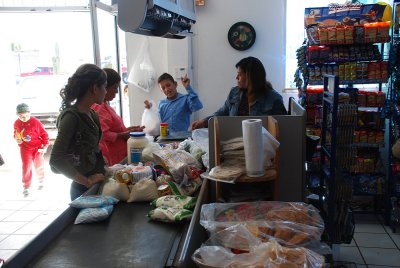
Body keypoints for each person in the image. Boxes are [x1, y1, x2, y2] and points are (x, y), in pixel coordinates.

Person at [49, 63, 107, 200]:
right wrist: (86, 181)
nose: (105, 91)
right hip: (82, 190)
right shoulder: (71, 118)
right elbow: (56, 159)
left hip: (97, 185)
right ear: (94, 88)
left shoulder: (92, 114)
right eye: (104, 86)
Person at [191, 56, 287, 130]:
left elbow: (282, 128)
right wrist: (204, 122)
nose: (237, 78)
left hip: (261, 146)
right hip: (234, 141)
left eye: (239, 74)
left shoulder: (274, 99)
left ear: (250, 77)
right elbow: (222, 113)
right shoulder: (234, 93)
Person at [92, 68, 144, 166]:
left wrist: (130, 130)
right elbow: (103, 134)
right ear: (104, 88)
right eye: (115, 88)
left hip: (120, 153)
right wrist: (124, 134)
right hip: (111, 155)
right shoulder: (99, 108)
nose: (116, 92)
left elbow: (114, 129)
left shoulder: (106, 106)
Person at [13, 103, 49, 197]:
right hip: (25, 149)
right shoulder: (17, 123)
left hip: (37, 148)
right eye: (21, 116)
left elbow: (44, 134)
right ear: (18, 115)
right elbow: (16, 133)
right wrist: (16, 138)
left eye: (26, 116)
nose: (24, 118)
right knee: (26, 167)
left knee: (39, 166)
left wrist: (45, 146)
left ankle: (41, 181)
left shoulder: (35, 122)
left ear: (30, 113)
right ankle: (26, 186)